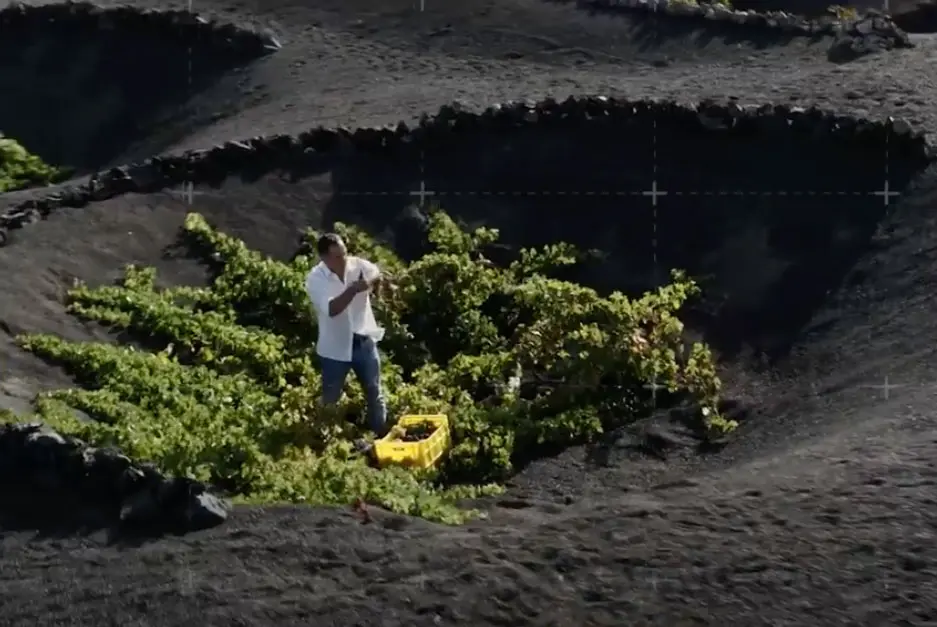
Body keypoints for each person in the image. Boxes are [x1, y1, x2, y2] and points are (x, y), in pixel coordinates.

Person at [305, 232, 388, 439]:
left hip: (363, 341)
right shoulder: (316, 279)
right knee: (331, 398)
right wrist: (353, 290)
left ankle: (380, 437)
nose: (344, 260)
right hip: (335, 349)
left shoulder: (356, 265)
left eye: (344, 253)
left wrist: (368, 282)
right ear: (324, 258)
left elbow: (375, 272)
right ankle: (325, 441)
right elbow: (332, 309)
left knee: (374, 392)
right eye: (338, 257)